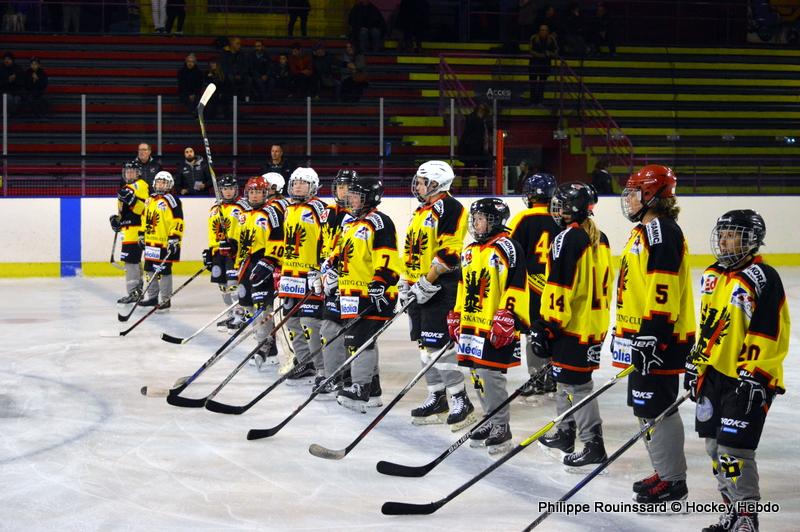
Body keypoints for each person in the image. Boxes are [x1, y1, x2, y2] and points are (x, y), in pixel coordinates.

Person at [688, 210, 789, 532]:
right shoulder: (712, 274)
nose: (723, 240)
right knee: (715, 447)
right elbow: (709, 324)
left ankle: (747, 517)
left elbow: (770, 331)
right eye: (722, 234)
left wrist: (756, 373)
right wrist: (696, 362)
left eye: (732, 235)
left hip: (748, 378)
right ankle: (730, 509)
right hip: (715, 375)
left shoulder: (763, 277)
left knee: (735, 451)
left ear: (751, 240)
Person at [612, 165, 696, 503]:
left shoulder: (661, 230)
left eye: (635, 192)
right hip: (643, 338)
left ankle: (674, 480)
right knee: (645, 407)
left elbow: (663, 287)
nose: (629, 199)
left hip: (659, 340)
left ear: (652, 195)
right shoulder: (644, 230)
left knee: (658, 407)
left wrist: (652, 335)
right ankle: (664, 470)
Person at [533, 181, 612, 472]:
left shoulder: (569, 238)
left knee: (578, 386)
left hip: (571, 324)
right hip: (592, 323)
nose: (557, 209)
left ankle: (593, 444)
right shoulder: (599, 237)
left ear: (575, 208)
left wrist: (548, 325)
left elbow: (561, 285)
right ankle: (566, 432)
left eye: (563, 204)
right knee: (566, 380)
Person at [449, 198, 529, 454]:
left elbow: (517, 284)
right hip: (472, 324)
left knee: (490, 376)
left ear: (495, 221)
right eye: (475, 219)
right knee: (477, 375)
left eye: (482, 218)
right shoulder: (470, 249)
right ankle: (489, 418)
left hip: (496, 327)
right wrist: (456, 313)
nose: (476, 223)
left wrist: (509, 315)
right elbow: (463, 285)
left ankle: (501, 426)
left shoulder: (507, 247)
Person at [402, 160, 476, 431]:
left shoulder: (450, 207)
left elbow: (448, 253)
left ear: (436, 183)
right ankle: (436, 397)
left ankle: (460, 400)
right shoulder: (422, 211)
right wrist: (406, 282)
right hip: (419, 286)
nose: (417, 185)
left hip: (440, 287)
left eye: (422, 181)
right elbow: (412, 251)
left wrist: (426, 281)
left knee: (439, 348)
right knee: (425, 347)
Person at [334, 174, 402, 412]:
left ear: (370, 198)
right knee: (362, 340)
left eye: (356, 196)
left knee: (360, 341)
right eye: (350, 195)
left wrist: (381, 281)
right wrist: (332, 269)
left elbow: (388, 257)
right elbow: (344, 254)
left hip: (371, 294)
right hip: (350, 294)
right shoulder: (350, 223)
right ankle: (373, 390)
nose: (351, 199)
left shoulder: (379, 221)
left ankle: (360, 388)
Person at [508, 173, 561, 398]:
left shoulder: (522, 218)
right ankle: (554, 375)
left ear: (530, 195)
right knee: (552, 329)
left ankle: (537, 378)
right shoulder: (560, 217)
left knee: (533, 332)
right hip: (556, 286)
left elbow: (509, 250)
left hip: (530, 288)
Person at [277, 168, 328, 384]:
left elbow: (327, 240)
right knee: (292, 320)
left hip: (310, 275)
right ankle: (304, 360)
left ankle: (322, 366)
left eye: (303, 183)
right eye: (295, 182)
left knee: (310, 322)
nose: (297, 186)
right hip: (290, 274)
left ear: (313, 186)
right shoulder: (289, 209)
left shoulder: (319, 208)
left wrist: (321, 269)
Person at [233, 175, 284, 364]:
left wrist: (270, 261)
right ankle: (264, 342)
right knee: (247, 305)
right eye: (252, 192)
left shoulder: (272, 212)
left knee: (263, 307)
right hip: (246, 266)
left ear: (266, 194)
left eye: (259, 192)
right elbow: (240, 242)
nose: (255, 196)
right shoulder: (244, 214)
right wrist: (229, 247)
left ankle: (265, 345)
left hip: (263, 265)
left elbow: (279, 240)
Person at [315, 169, 357, 398]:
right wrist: (318, 270)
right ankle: (340, 372)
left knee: (341, 328)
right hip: (329, 276)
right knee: (332, 326)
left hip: (350, 280)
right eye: (341, 186)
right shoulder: (328, 212)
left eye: (348, 187)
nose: (344, 191)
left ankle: (340, 374)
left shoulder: (359, 216)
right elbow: (322, 243)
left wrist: (336, 271)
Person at [203, 174, 247, 332]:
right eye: (224, 189)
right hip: (218, 253)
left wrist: (237, 247)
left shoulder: (242, 207)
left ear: (236, 190)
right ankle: (230, 313)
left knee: (233, 284)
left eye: (231, 189)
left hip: (233, 253)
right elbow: (211, 230)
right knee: (222, 286)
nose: (228, 192)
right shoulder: (215, 208)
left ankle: (239, 315)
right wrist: (210, 250)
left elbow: (245, 231)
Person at [140, 171, 183, 310]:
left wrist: (174, 239)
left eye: (164, 182)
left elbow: (178, 221)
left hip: (166, 243)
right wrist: (141, 234)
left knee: (164, 271)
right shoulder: (150, 199)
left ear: (169, 185)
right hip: (151, 242)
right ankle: (152, 297)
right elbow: (143, 218)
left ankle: (165, 299)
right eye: (159, 181)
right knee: (149, 269)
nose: (161, 184)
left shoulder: (172, 200)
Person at [110, 162, 149, 304]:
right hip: (127, 230)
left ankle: (134, 292)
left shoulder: (141, 185)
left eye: (132, 171)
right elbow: (124, 212)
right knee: (133, 262)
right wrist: (117, 220)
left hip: (136, 229)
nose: (129, 174)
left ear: (138, 173)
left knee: (131, 262)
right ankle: (137, 291)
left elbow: (144, 209)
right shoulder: (125, 188)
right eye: (127, 171)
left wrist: (132, 200)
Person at [458, 102, 490, 189]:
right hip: (471, 150)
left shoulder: (483, 121)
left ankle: (480, 187)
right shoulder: (472, 119)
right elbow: (469, 135)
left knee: (481, 170)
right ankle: (464, 188)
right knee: (468, 168)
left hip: (480, 150)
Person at [529, 23, 558, 106]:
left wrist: (550, 54)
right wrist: (540, 55)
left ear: (548, 31)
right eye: (542, 30)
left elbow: (556, 50)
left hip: (545, 65)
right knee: (533, 84)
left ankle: (540, 101)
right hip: (534, 64)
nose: (543, 31)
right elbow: (530, 50)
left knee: (542, 84)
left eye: (545, 30)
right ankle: (532, 101)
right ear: (539, 31)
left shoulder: (551, 39)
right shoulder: (533, 38)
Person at [221, 36, 251, 101]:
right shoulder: (225, 53)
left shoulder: (242, 54)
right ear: (231, 44)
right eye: (237, 43)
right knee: (230, 78)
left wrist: (240, 74)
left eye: (240, 44)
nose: (239, 46)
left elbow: (245, 66)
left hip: (240, 75)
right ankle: (234, 99)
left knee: (248, 79)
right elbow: (224, 67)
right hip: (229, 75)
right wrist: (234, 74)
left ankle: (247, 100)